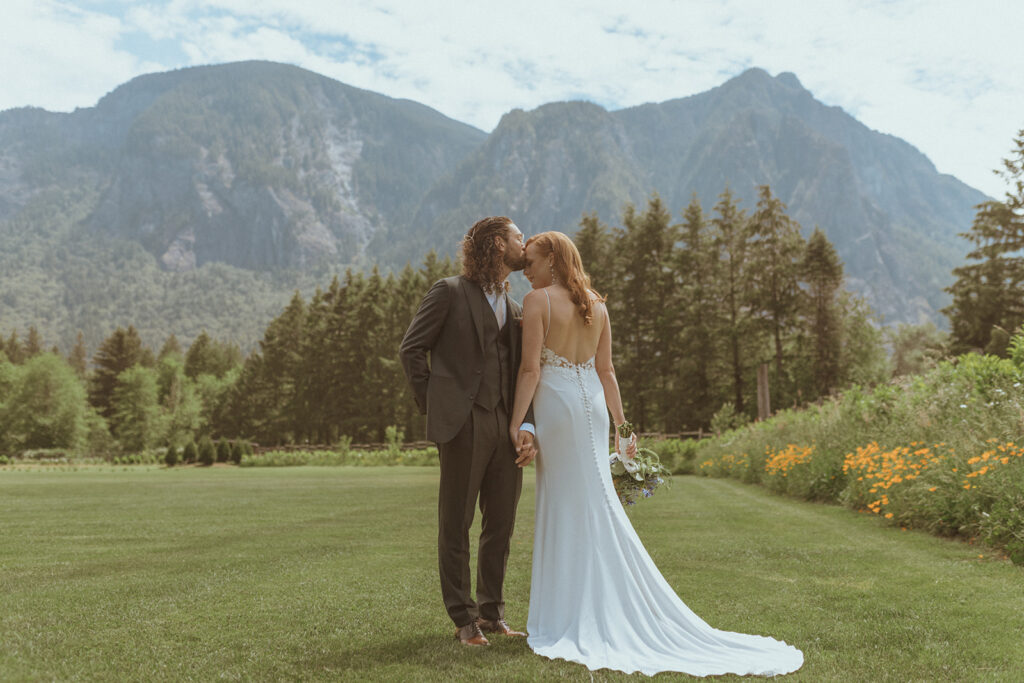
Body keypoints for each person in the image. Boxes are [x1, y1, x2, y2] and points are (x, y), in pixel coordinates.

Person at [509, 231, 804, 677]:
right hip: (591, 406)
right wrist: (623, 429)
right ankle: (596, 600)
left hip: (558, 408)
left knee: (568, 504)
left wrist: (517, 423)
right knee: (595, 502)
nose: (525, 271)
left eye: (530, 261)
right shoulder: (597, 304)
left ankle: (569, 610)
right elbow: (606, 371)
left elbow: (531, 369)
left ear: (552, 259)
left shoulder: (538, 303)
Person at [400, 216, 538, 647]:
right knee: (456, 523)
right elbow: (411, 350)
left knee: (501, 522)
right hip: (461, 424)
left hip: (506, 424)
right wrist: (437, 404)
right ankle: (464, 619)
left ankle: (493, 613)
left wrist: (526, 424)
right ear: (498, 245)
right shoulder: (449, 292)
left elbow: (523, 373)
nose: (525, 243)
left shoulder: (518, 308)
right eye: (519, 237)